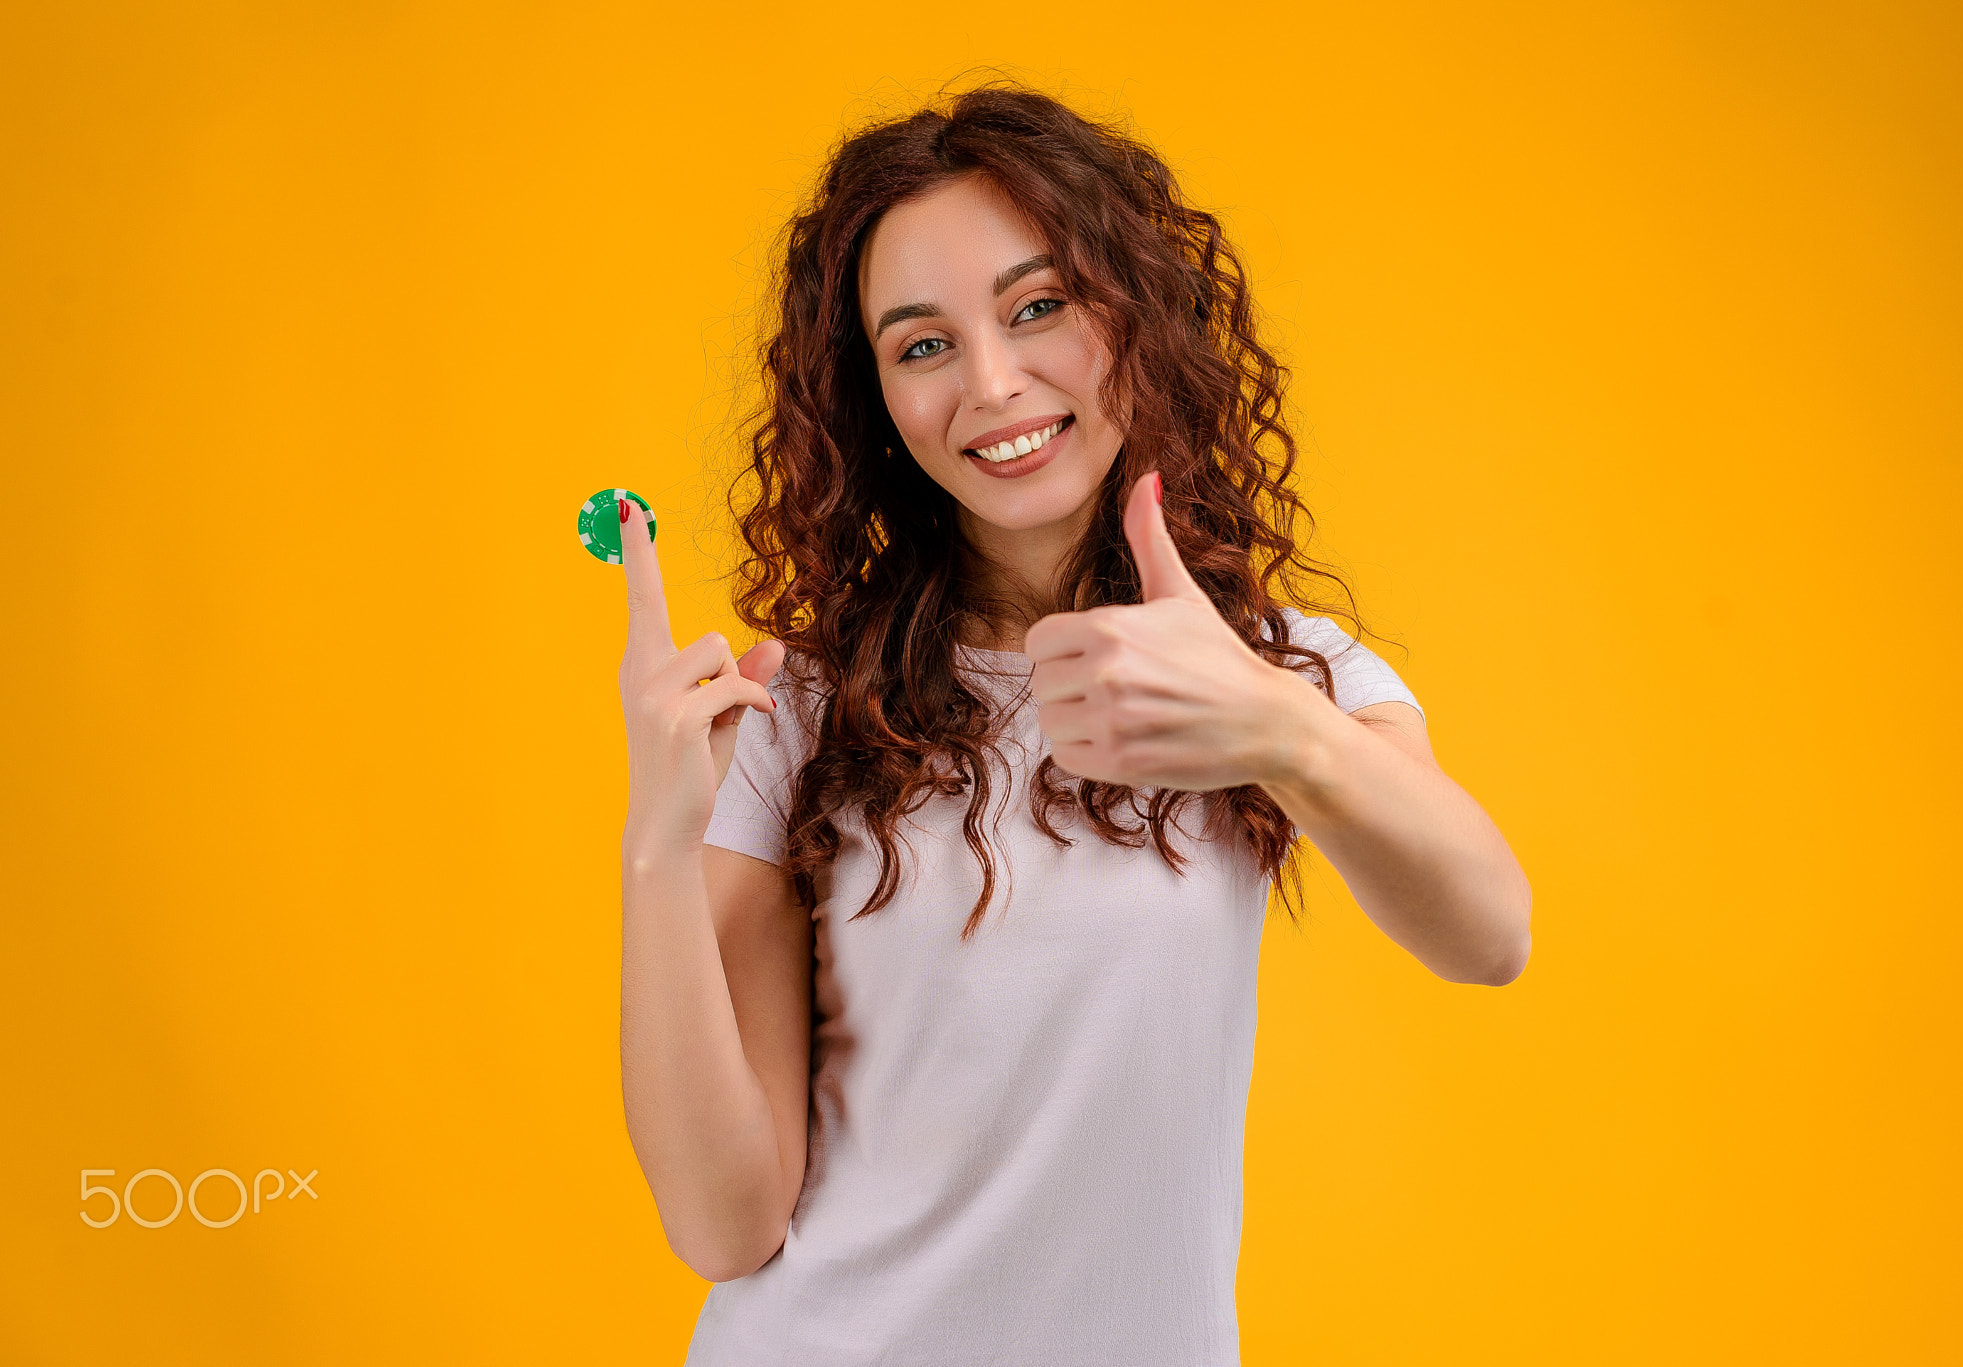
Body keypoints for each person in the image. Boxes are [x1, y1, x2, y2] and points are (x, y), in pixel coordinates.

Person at [614, 83, 1532, 1367]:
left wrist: (1272, 726)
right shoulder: (804, 712)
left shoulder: (1280, 675)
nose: (993, 384)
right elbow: (723, 1223)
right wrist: (659, 843)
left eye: (1037, 306)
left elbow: (1489, 934)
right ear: (869, 396)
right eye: (921, 344)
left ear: (1131, 316)